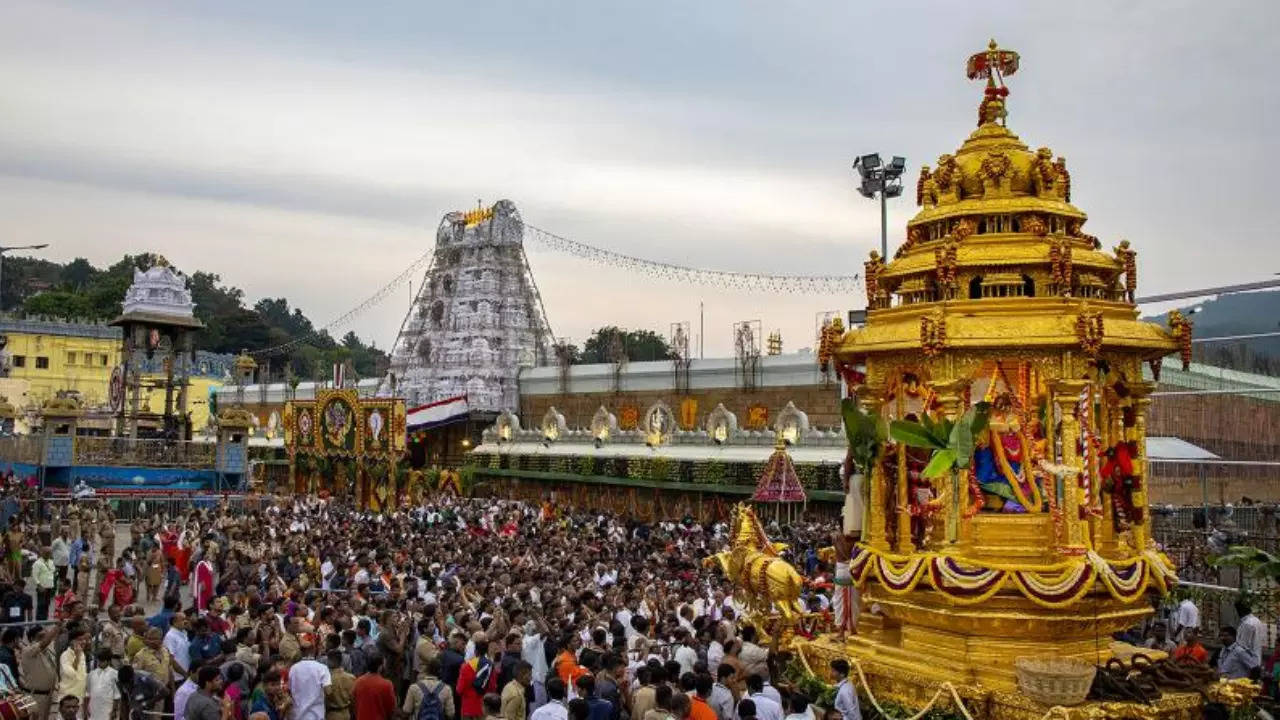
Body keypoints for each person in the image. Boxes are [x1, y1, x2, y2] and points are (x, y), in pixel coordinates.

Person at [20, 624, 60, 720]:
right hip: (33, 696)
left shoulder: (48, 651)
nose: (44, 639)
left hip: (48, 695)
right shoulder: (28, 651)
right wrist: (57, 627)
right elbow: (43, 643)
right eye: (41, 636)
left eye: (45, 635)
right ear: (32, 638)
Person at [289, 642, 333, 720]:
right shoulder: (322, 668)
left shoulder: (293, 669)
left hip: (297, 715)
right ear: (313, 650)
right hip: (316, 715)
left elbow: (289, 690)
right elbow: (328, 691)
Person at [353, 656, 397, 720]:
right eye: (384, 664)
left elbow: (354, 703)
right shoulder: (387, 685)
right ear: (380, 667)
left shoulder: (358, 681)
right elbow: (391, 708)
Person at [54, 628, 89, 709]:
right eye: (80, 639)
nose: (84, 642)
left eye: (84, 639)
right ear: (72, 641)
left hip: (79, 698)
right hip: (67, 700)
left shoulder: (82, 654)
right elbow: (72, 674)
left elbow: (82, 676)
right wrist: (77, 657)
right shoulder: (65, 655)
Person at [85, 647, 120, 720]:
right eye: (99, 660)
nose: (99, 663)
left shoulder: (115, 674)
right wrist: (86, 708)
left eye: (102, 661)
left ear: (108, 661)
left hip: (107, 709)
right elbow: (87, 693)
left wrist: (114, 711)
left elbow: (116, 695)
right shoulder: (91, 674)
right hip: (93, 709)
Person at [324, 650, 357, 720]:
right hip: (346, 714)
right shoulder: (351, 678)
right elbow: (354, 699)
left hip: (332, 714)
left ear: (331, 661)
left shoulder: (327, 679)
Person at [32, 546, 56, 620]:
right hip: (42, 587)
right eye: (46, 552)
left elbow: (53, 572)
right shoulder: (37, 563)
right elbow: (34, 576)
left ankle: (45, 619)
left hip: (50, 587)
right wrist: (39, 585)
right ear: (42, 553)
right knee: (41, 605)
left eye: (49, 553)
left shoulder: (51, 562)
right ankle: (39, 620)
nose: (48, 554)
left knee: (47, 604)